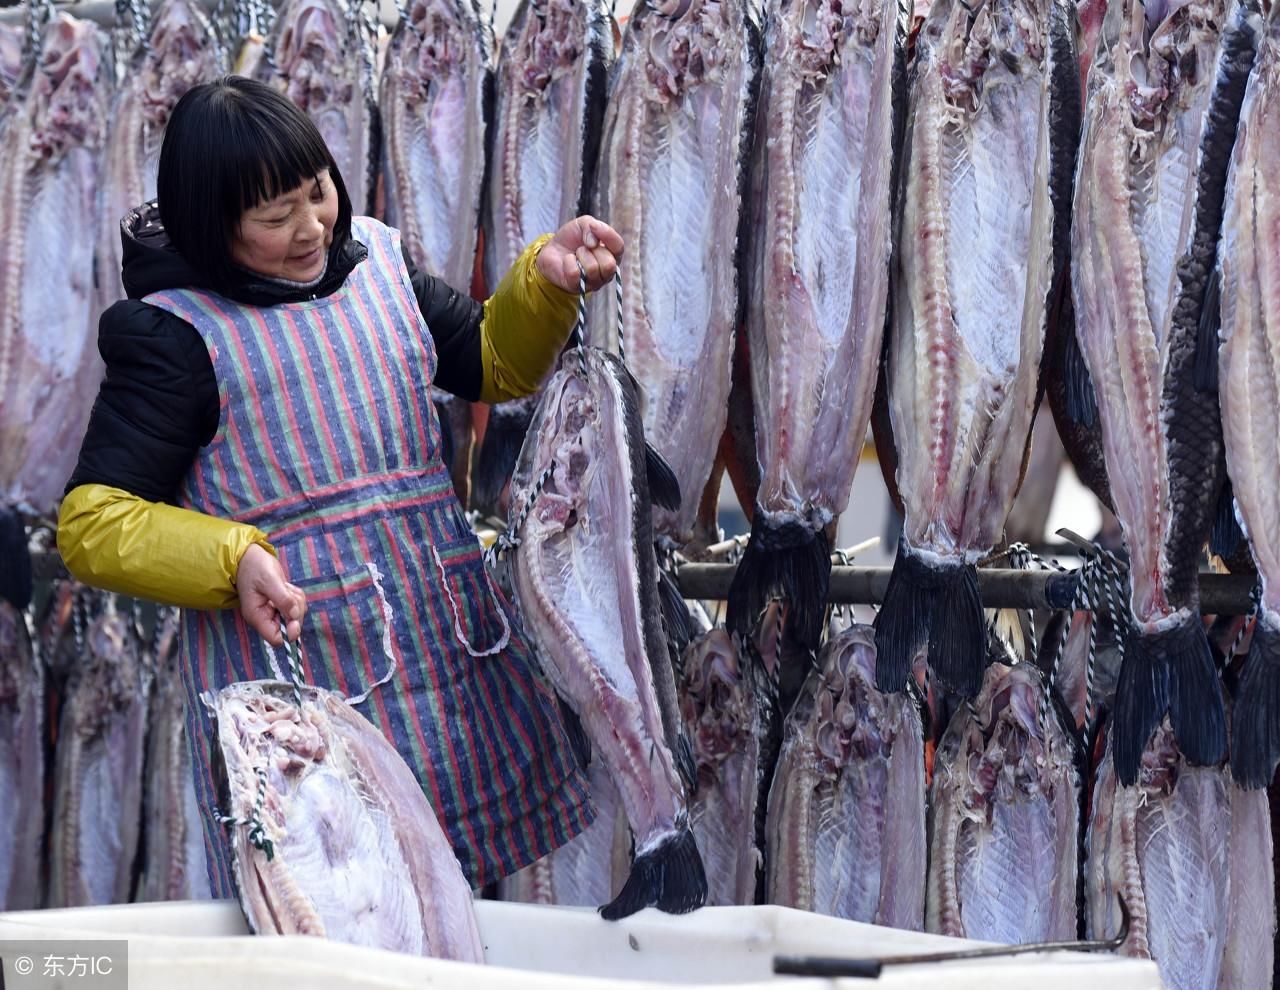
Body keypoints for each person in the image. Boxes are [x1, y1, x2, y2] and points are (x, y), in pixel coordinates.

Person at [57, 75, 623, 897]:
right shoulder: (175, 337)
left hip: (446, 671)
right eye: (274, 216)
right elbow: (91, 523)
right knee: (346, 915)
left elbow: (490, 363)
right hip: (307, 712)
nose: (310, 226)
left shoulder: (381, 264)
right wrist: (229, 557)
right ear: (212, 228)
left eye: (315, 192)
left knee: (462, 908)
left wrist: (544, 282)